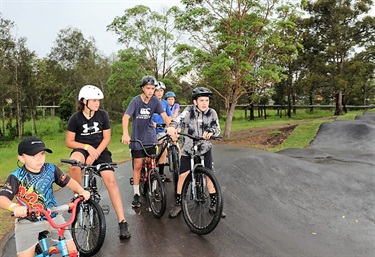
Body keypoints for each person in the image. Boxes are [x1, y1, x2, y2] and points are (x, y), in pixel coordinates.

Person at [0, 137, 91, 257]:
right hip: (27, 221)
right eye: (33, 155)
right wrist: (14, 207)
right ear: (21, 158)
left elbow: (68, 181)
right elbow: (2, 198)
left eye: (42, 154)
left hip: (52, 216)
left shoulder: (51, 169)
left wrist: (81, 190)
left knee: (72, 251)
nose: (39, 158)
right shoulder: (16, 177)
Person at [66, 85, 130, 240]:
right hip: (82, 149)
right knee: (74, 165)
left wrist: (95, 154)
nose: (97, 103)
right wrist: (87, 147)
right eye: (94, 100)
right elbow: (69, 141)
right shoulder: (75, 118)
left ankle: (122, 222)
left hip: (100, 151)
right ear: (84, 101)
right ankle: (78, 198)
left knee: (111, 181)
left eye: (98, 100)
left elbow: (106, 138)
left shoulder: (103, 115)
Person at [166, 87, 226, 218]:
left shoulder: (212, 113)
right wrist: (171, 127)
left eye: (207, 100)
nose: (205, 103)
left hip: (205, 148)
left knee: (209, 175)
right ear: (195, 101)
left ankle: (214, 204)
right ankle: (178, 203)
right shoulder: (189, 111)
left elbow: (217, 128)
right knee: (183, 176)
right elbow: (178, 119)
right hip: (188, 148)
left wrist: (211, 132)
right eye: (201, 100)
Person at [121, 75, 170, 208]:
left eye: (153, 89)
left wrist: (170, 127)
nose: (150, 91)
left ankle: (154, 189)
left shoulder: (155, 101)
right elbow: (126, 117)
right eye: (148, 88)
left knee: (152, 164)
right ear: (143, 88)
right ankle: (136, 194)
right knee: (137, 165)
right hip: (137, 138)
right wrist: (125, 134)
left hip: (150, 137)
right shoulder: (135, 101)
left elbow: (165, 116)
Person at [152, 81, 173, 182]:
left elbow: (168, 117)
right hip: (151, 131)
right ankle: (150, 172)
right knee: (150, 152)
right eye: (157, 91)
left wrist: (170, 127)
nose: (159, 93)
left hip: (161, 130)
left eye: (161, 91)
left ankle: (161, 173)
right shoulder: (149, 102)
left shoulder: (165, 103)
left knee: (163, 150)